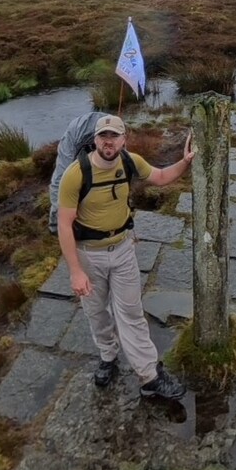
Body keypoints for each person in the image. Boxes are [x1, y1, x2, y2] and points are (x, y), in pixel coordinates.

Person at [55, 114, 195, 399]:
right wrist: (75, 272)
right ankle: (108, 356)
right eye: (103, 136)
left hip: (123, 250)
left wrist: (185, 161)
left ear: (123, 139)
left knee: (131, 313)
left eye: (114, 136)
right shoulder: (75, 174)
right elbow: (64, 225)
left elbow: (161, 177)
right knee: (96, 312)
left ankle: (149, 375)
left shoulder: (131, 161)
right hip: (89, 255)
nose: (108, 142)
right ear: (95, 139)